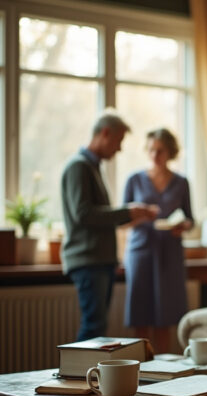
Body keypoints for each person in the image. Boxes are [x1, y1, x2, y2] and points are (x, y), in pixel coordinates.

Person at [61, 111, 157, 341]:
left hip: (98, 260)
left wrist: (134, 215)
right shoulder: (79, 167)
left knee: (97, 327)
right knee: (94, 327)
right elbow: (83, 214)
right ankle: (81, 367)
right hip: (88, 260)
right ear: (105, 133)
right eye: (119, 141)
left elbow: (97, 216)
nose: (119, 149)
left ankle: (86, 366)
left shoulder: (91, 167)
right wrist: (127, 211)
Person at [123, 128, 194, 354]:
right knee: (141, 313)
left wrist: (183, 226)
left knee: (165, 315)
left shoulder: (181, 182)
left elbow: (190, 219)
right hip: (141, 251)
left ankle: (162, 367)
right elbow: (122, 221)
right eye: (151, 149)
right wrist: (141, 215)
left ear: (170, 152)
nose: (155, 155)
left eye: (160, 150)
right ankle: (140, 366)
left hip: (170, 253)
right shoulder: (134, 180)